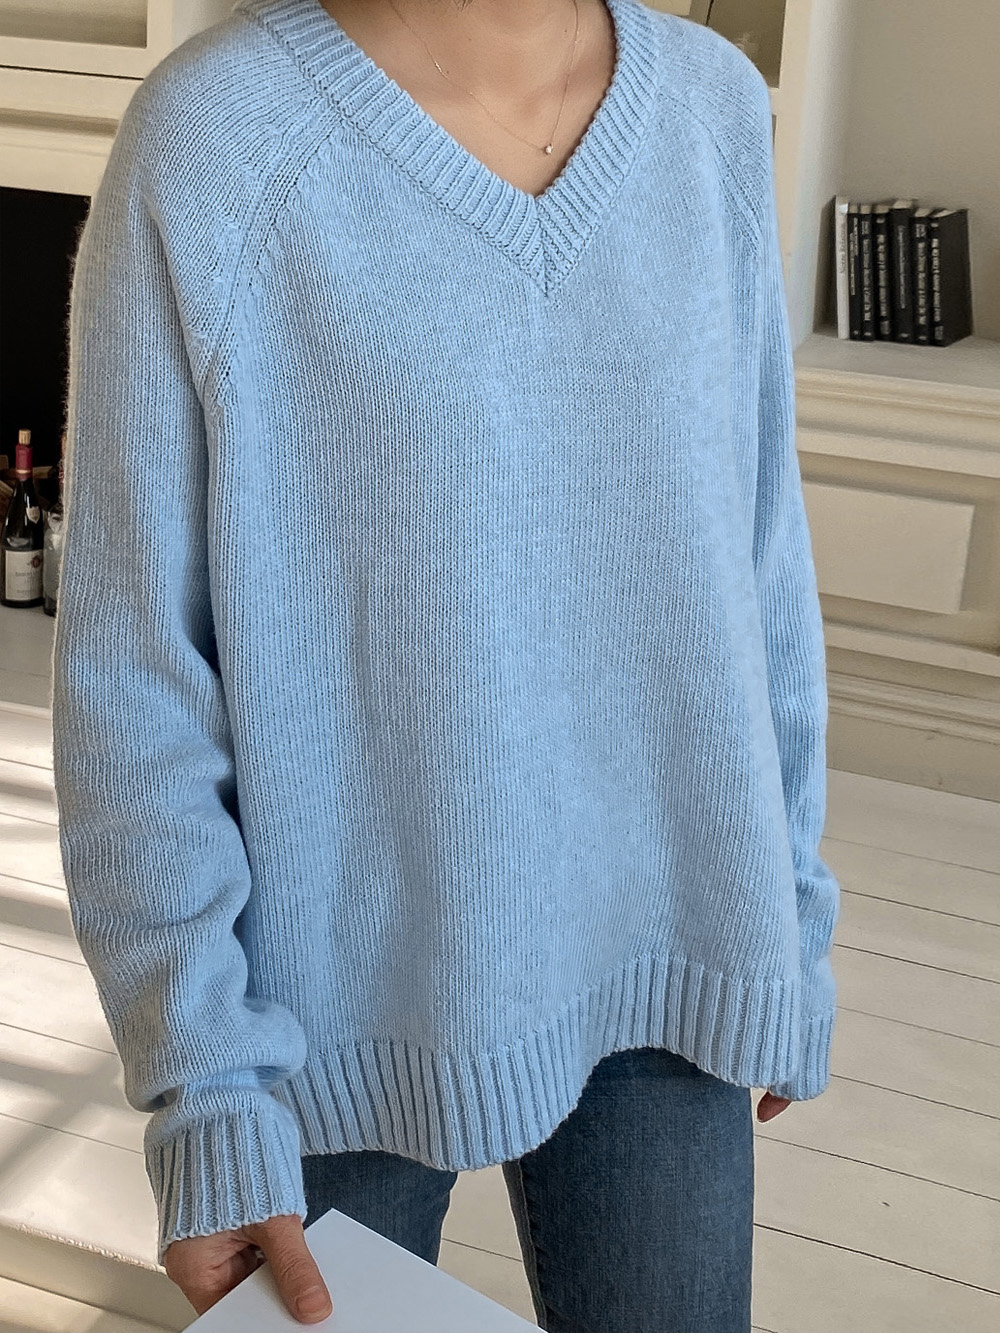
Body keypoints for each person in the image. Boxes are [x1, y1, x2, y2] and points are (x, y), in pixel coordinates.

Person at [50, 0, 840, 1329]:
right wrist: (206, 1084)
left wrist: (790, 918)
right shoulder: (217, 138)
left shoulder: (712, 108)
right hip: (326, 1019)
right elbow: (135, 679)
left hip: (674, 945)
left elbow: (757, 552)